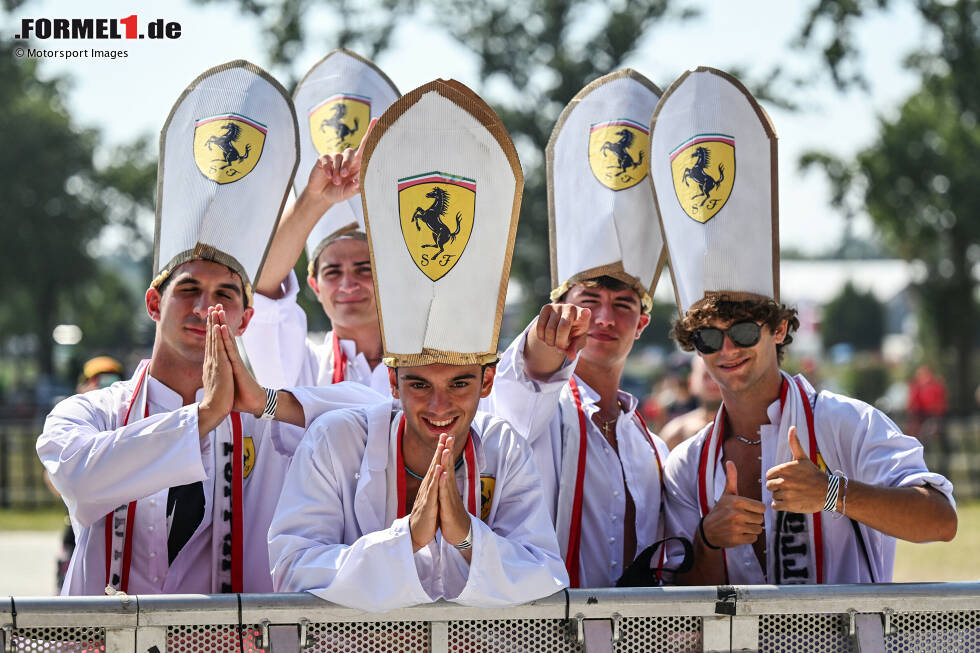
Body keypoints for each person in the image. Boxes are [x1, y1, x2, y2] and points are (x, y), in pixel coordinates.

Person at [37, 62, 381, 596]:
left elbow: (380, 414)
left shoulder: (261, 421)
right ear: (154, 302)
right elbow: (80, 481)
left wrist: (266, 403)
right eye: (189, 291)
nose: (205, 308)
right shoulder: (92, 412)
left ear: (246, 317)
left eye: (225, 295)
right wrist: (202, 418)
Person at [649, 67, 956, 585]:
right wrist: (708, 540)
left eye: (744, 330)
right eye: (708, 337)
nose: (727, 348)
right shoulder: (687, 464)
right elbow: (677, 602)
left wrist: (833, 493)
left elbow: (941, 520)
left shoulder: (846, 423)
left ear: (779, 329)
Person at [269, 79, 568, 611]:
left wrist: (465, 535)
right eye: (418, 385)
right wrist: (404, 541)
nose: (438, 405)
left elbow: (546, 573)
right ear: (391, 381)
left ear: (488, 380)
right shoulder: (336, 441)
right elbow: (292, 565)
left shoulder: (501, 447)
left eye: (458, 383)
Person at [486, 69, 673, 589]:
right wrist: (541, 354)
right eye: (589, 301)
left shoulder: (647, 446)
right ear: (560, 308)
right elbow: (516, 403)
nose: (606, 319)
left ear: (644, 322)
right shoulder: (537, 407)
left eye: (624, 304)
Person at [241, 50, 399, 395]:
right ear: (313, 285)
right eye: (332, 272)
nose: (348, 284)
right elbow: (262, 288)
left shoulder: (429, 369)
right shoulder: (302, 367)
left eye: (364, 268)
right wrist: (315, 199)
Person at [661, 356, 722, 450]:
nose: (713, 383)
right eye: (706, 376)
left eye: (719, 376)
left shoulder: (747, 429)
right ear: (691, 382)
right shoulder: (676, 435)